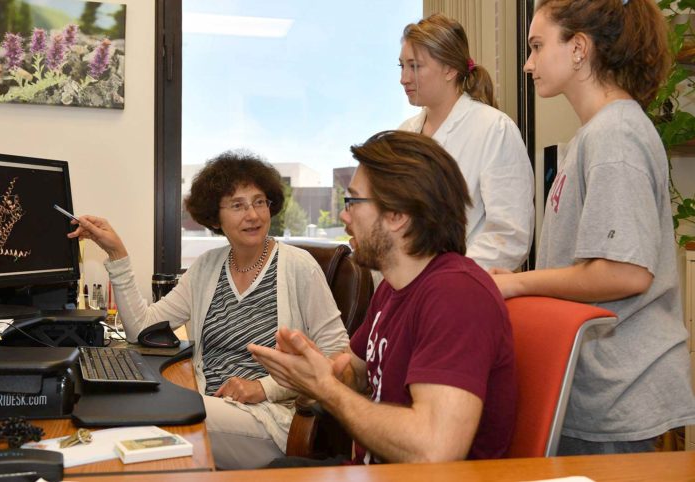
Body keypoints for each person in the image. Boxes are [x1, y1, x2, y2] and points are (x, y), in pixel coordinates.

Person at [490, 0, 695, 455]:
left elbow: (625, 272)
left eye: (537, 47)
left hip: (618, 397)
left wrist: (519, 284)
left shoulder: (615, 136)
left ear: (579, 48)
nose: (528, 64)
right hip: (597, 390)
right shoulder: (595, 134)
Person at [67, 151, 349, 469]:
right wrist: (117, 253)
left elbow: (338, 356)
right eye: (238, 205)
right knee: (119, 403)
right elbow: (142, 328)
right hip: (209, 403)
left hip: (268, 420)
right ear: (215, 217)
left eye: (259, 202)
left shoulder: (299, 267)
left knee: (144, 412)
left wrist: (264, 388)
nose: (253, 215)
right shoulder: (207, 267)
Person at [249, 130, 517, 465]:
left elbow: (435, 449)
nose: (344, 216)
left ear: (397, 215)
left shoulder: (457, 295)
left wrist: (326, 389)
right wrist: (319, 370)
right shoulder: (393, 286)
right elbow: (358, 371)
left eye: (353, 202)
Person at [397, 14, 534, 271]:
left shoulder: (494, 129)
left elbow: (509, 236)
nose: (403, 78)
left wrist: (444, 277)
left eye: (414, 66)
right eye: (401, 66)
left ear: (450, 69)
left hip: (461, 284)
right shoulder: (405, 134)